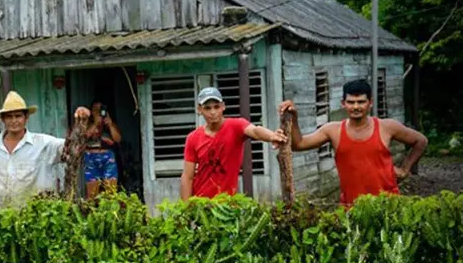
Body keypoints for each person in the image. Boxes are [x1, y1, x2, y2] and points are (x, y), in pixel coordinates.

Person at [278, 79, 428, 205]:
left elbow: (420, 141)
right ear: (343, 103)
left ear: (370, 102)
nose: (356, 107)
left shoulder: (387, 127)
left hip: (388, 205)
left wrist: (405, 169)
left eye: (361, 102)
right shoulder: (333, 130)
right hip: (351, 207)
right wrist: (294, 118)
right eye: (351, 102)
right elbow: (299, 144)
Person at [0, 91, 90, 209]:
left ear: (26, 117)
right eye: (9, 117)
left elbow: (72, 149)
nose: (14, 121)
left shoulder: (44, 143)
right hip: (0, 214)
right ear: (2, 119)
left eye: (18, 116)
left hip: (35, 214)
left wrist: (80, 123)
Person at [181, 87, 288, 201]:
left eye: (216, 107)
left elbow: (255, 131)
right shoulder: (193, 138)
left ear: (223, 106)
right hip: (200, 202)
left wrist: (272, 136)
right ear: (199, 109)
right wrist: (186, 208)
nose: (213, 112)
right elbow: (188, 176)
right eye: (207, 108)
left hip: (228, 203)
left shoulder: (236, 126)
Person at [82, 99, 122, 199]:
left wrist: (110, 124)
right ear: (91, 112)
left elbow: (118, 139)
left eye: (101, 109)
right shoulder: (87, 123)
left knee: (111, 191)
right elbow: (84, 136)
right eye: (96, 109)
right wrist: (95, 123)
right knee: (92, 193)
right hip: (91, 157)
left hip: (108, 157)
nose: (99, 112)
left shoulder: (109, 123)